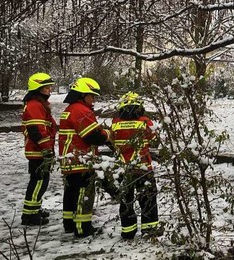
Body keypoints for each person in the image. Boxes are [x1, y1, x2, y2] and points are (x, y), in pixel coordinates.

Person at [58, 77, 112, 238]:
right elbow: (93, 136)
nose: (93, 99)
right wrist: (108, 135)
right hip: (81, 160)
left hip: (69, 160)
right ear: (82, 95)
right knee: (84, 193)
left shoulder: (70, 109)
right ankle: (83, 228)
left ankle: (69, 224)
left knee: (71, 193)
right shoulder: (81, 110)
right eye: (92, 95)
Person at [111, 92, 160, 239]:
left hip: (122, 169)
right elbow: (155, 139)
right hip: (142, 168)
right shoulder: (145, 122)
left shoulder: (115, 123)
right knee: (148, 199)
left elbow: (112, 140)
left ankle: (128, 231)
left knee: (126, 201)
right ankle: (149, 229)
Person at [20, 72, 58, 226]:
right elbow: (37, 130)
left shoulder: (38, 104)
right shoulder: (35, 105)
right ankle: (30, 215)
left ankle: (34, 209)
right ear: (38, 88)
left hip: (39, 150)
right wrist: (46, 149)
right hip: (38, 151)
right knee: (38, 182)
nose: (49, 89)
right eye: (46, 86)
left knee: (40, 182)